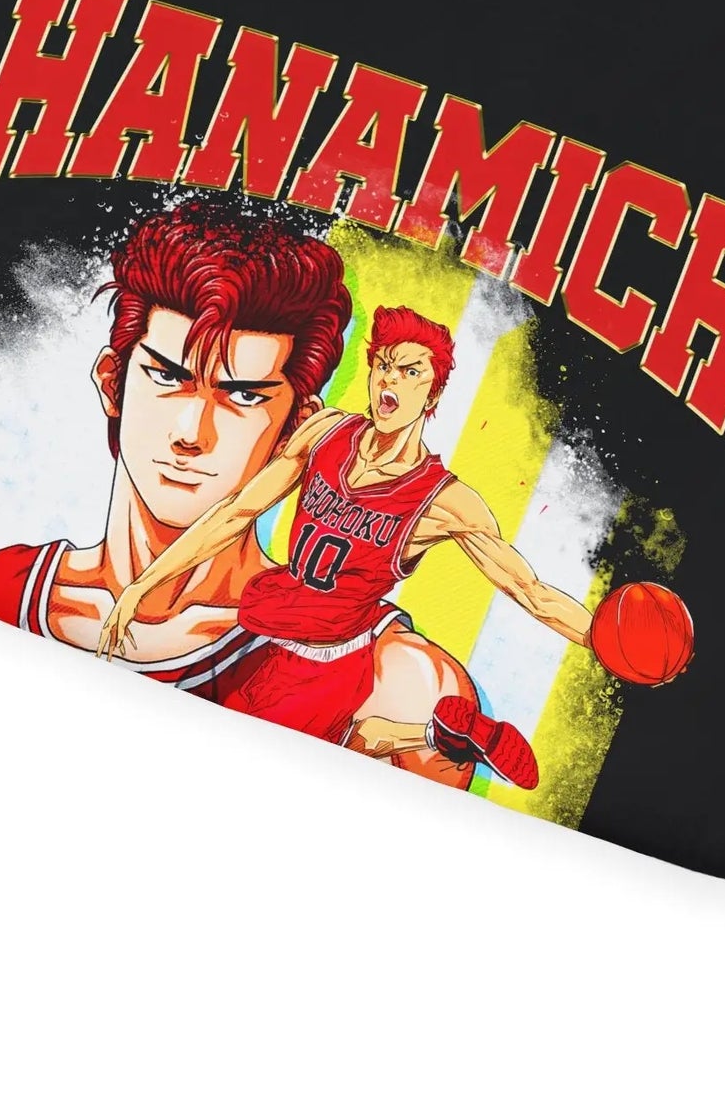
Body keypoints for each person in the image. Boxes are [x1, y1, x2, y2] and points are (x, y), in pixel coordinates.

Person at [0, 205, 480, 786]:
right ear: (112, 382)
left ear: (297, 428)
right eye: (167, 377)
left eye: (243, 397)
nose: (191, 433)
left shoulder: (390, 681)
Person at [102, 304, 598, 790]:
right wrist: (143, 585)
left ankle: (431, 734)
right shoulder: (326, 432)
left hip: (332, 656)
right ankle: (432, 734)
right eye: (384, 365)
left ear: (433, 393)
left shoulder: (445, 502)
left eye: (410, 372)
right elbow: (236, 512)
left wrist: (601, 642)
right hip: (273, 628)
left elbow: (530, 591)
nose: (390, 380)